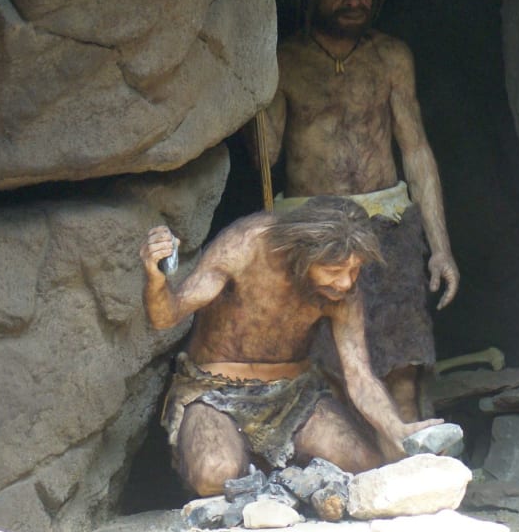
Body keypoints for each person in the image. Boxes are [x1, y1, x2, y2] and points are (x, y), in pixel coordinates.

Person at [257, 0, 459, 421]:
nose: (355, 1)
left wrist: (441, 249)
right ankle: (346, 461)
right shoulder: (284, 61)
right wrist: (250, 90)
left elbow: (416, 151)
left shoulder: (391, 56)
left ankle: (412, 457)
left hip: (387, 223)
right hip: (313, 229)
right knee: (325, 368)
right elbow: (266, 155)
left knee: (403, 360)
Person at [140, 197, 441, 497]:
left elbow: (360, 376)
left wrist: (396, 428)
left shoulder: (342, 294)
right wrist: (155, 279)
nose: (346, 283)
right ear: (304, 254)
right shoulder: (247, 245)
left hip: (295, 396)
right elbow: (166, 316)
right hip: (213, 391)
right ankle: (261, 478)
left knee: (363, 464)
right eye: (335, 270)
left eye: (355, 270)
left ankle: (284, 483)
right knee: (215, 475)